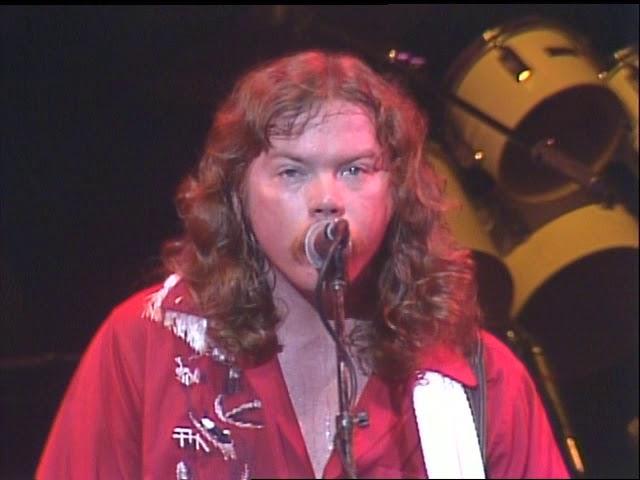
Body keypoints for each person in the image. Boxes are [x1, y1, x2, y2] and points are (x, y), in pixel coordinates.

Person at [36, 49, 569, 479]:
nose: (327, 200)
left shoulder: (480, 380)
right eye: (292, 172)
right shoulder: (145, 345)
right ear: (238, 195)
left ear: (398, 192)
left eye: (355, 170)